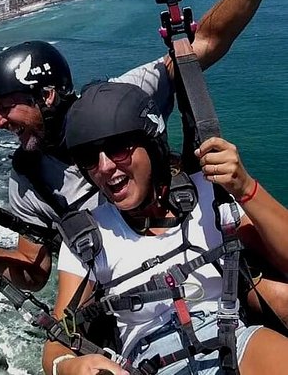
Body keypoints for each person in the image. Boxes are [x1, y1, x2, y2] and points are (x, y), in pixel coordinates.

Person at [0, 0, 288, 294]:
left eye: (6, 107)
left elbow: (204, 43)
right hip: (132, 296)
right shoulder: (29, 176)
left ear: (47, 96)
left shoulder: (122, 100)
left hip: (196, 246)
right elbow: (33, 274)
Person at [43, 81, 288, 375]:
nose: (105, 166)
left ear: (152, 144)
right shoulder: (87, 237)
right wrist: (69, 367)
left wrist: (246, 188)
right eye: (89, 157)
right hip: (149, 362)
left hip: (231, 335)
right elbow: (58, 340)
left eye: (118, 148)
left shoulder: (211, 196)